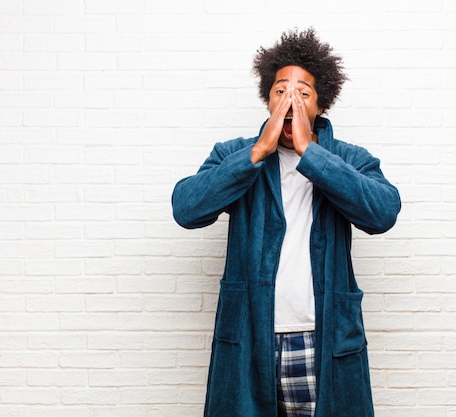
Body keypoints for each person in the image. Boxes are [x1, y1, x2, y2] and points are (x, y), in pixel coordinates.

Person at [171, 28, 401, 417]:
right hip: (249, 339)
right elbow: (187, 208)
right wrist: (256, 153)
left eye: (302, 92)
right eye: (281, 90)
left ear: (320, 104)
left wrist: (311, 153)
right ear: (267, 98)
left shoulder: (347, 158)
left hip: (322, 340)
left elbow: (382, 213)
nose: (289, 100)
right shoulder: (235, 154)